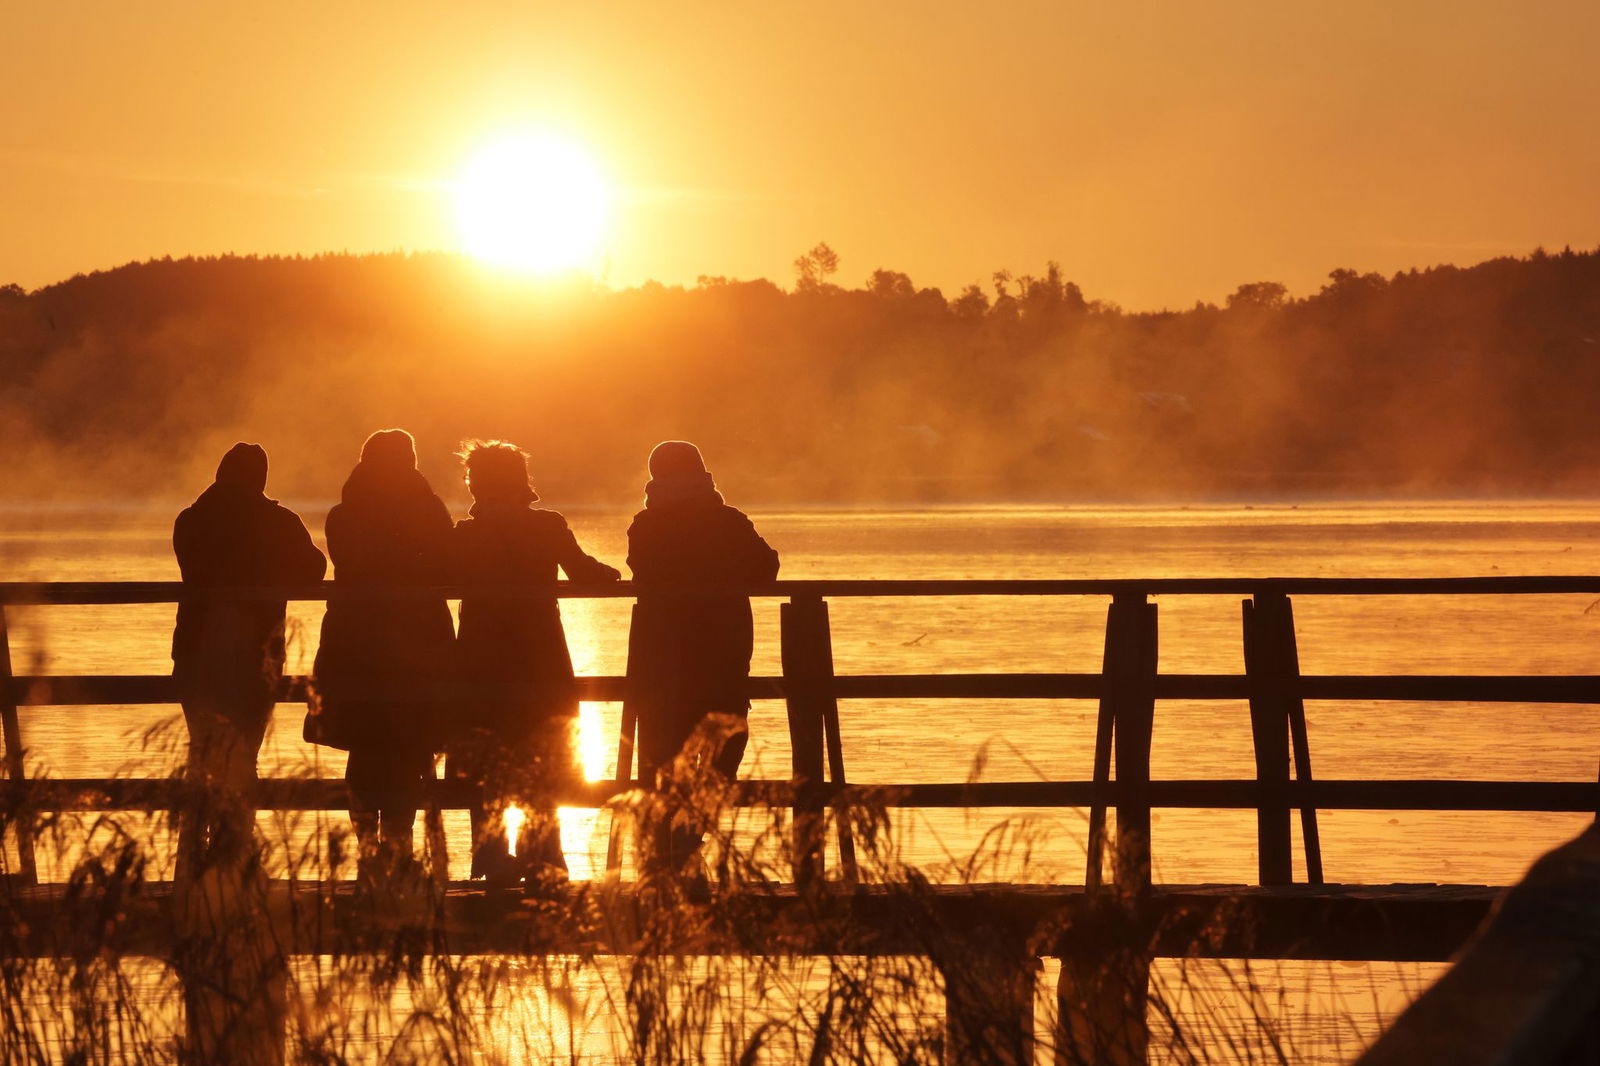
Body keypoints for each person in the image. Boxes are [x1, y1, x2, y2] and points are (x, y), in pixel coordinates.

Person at [447, 440, 619, 890]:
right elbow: (583, 571)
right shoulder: (546, 527)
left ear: (476, 483)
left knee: (487, 762)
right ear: (522, 481)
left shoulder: (465, 535)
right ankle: (543, 855)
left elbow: (436, 577)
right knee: (544, 758)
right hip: (539, 658)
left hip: (481, 661)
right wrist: (611, 574)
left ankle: (491, 854)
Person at [172, 442, 326, 877]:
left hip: (196, 652)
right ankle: (234, 856)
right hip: (255, 656)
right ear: (260, 479)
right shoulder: (279, 522)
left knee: (201, 753)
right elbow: (314, 569)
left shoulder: (191, 520)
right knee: (243, 756)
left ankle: (191, 858)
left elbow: (194, 571)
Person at [626, 441, 779, 874]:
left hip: (662, 657)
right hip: (722, 653)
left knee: (663, 752)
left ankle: (663, 850)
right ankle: (691, 834)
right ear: (703, 472)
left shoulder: (646, 524)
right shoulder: (727, 522)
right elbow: (766, 568)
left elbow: (642, 570)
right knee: (726, 742)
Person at [307, 429, 454, 872]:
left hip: (356, 641)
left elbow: (349, 563)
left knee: (365, 744)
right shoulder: (427, 510)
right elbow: (448, 559)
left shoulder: (344, 514)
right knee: (409, 744)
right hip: (418, 640)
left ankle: (370, 847)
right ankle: (399, 847)